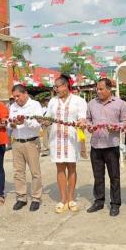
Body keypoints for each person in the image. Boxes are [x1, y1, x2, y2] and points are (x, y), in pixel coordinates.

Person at [44, 75, 88, 214]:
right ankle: (63, 198)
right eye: (54, 87)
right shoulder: (53, 101)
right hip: (56, 138)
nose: (55, 89)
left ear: (65, 86)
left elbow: (82, 117)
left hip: (71, 138)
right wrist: (44, 121)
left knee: (72, 167)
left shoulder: (79, 101)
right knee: (60, 168)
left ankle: (71, 198)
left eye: (57, 86)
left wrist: (81, 122)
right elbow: (48, 118)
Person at [85, 78, 126, 217]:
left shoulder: (120, 104)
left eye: (101, 89)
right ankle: (99, 201)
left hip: (112, 145)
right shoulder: (91, 103)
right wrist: (89, 126)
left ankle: (115, 204)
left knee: (114, 177)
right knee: (98, 176)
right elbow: (88, 119)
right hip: (96, 145)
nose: (98, 91)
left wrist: (116, 127)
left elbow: (125, 122)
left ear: (109, 89)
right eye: (97, 89)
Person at [9, 84, 44, 212]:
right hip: (17, 142)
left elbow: (37, 125)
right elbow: (10, 123)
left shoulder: (35, 105)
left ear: (25, 93)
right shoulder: (13, 106)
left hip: (31, 142)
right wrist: (12, 124)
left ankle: (36, 198)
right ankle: (21, 197)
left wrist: (25, 122)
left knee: (35, 172)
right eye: (14, 97)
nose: (16, 99)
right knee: (18, 172)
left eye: (18, 96)